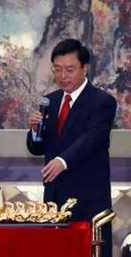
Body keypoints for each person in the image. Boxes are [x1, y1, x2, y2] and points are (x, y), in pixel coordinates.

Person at [26, 39, 116, 257]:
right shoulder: (51, 101)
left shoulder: (102, 102)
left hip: (88, 203)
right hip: (54, 202)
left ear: (85, 68)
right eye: (57, 70)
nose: (63, 76)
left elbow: (91, 138)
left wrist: (62, 161)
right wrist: (35, 131)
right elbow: (37, 148)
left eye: (69, 69)